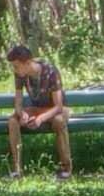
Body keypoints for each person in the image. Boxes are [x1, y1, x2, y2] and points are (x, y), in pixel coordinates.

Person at [6, 45, 72, 180]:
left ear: (28, 62)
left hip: (57, 109)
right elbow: (18, 101)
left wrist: (40, 119)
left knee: (59, 122)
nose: (15, 69)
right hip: (37, 109)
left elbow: (58, 106)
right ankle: (17, 170)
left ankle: (66, 168)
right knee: (13, 121)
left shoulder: (50, 71)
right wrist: (21, 114)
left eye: (17, 66)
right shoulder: (20, 74)